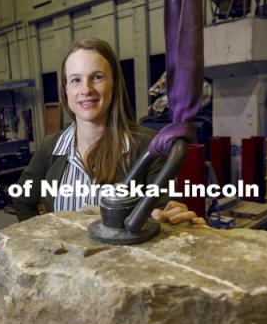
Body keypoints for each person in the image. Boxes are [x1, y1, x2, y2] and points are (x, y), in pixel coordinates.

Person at [13, 37, 205, 226]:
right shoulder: (50, 147)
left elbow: (162, 211)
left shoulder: (149, 146)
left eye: (97, 77)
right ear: (66, 89)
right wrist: (44, 241)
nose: (86, 89)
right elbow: (22, 201)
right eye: (75, 80)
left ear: (114, 83)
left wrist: (169, 217)